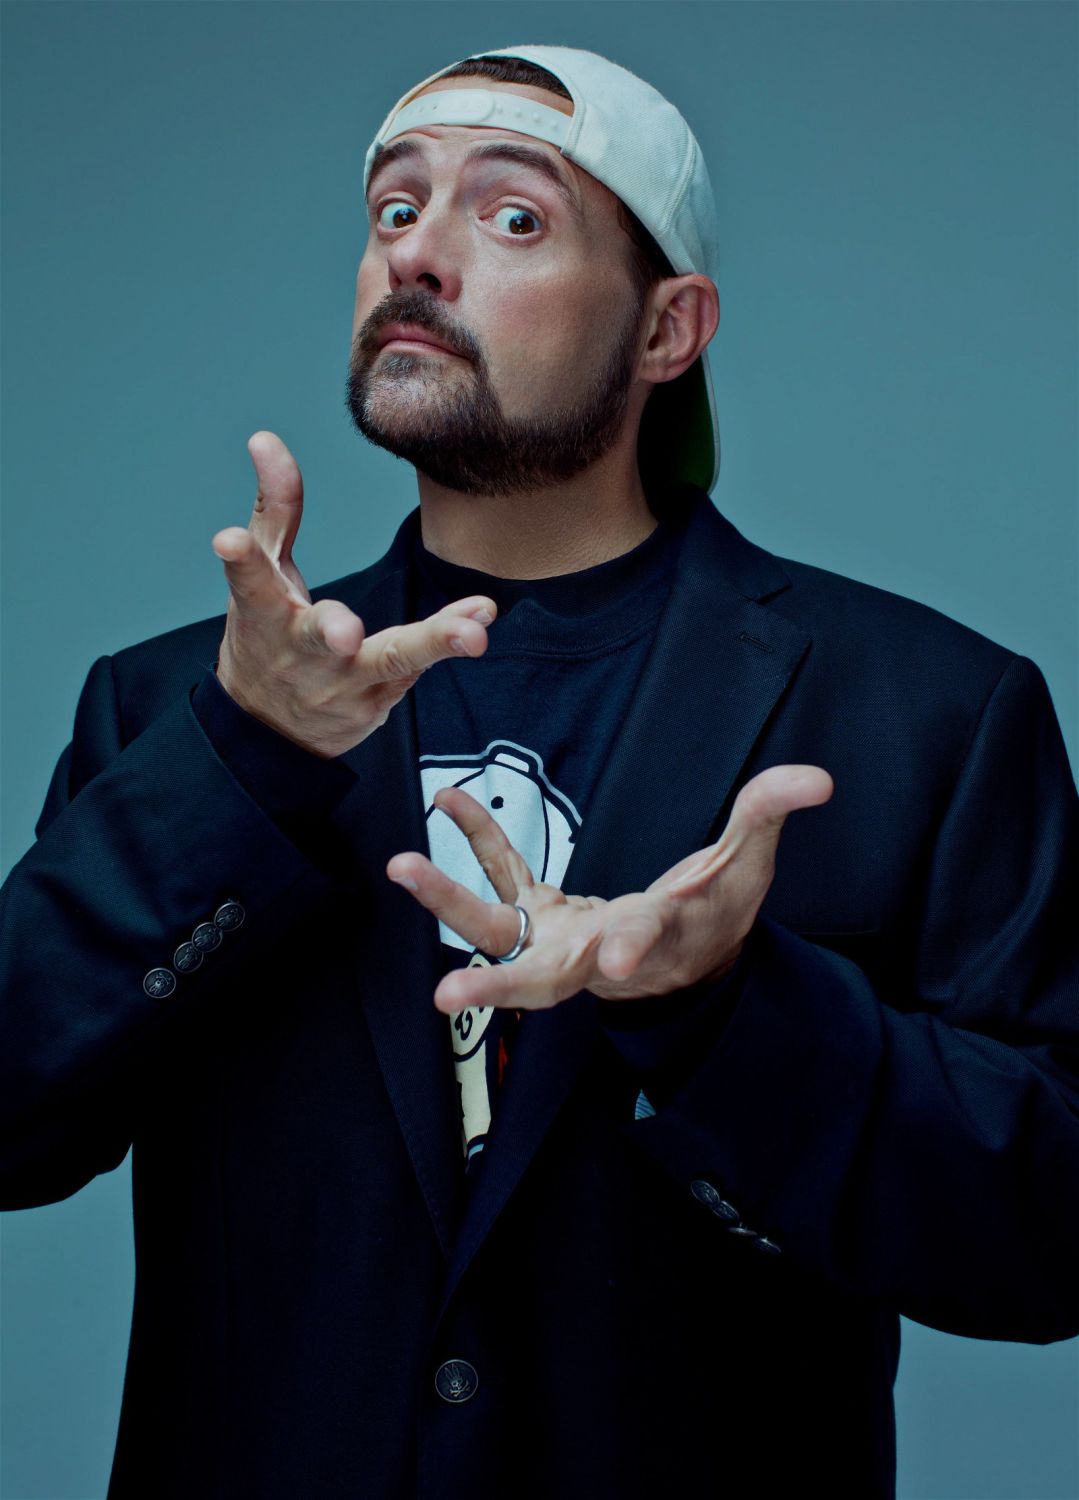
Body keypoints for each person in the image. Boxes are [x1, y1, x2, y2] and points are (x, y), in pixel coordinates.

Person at [1, 42, 1076, 1500]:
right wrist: (241, 765)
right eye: (394, 210)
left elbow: (1050, 1240)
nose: (419, 256)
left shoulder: (927, 713)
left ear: (668, 328)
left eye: (513, 217)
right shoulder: (172, 709)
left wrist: (724, 1011)